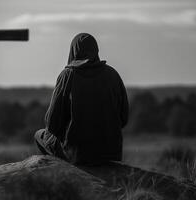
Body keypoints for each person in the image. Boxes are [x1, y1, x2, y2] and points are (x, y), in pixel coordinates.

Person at [35, 33, 129, 165]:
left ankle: (61, 176)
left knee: (39, 135)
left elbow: (52, 124)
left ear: (73, 51)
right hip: (110, 153)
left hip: (76, 155)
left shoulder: (67, 75)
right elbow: (124, 118)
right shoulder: (112, 74)